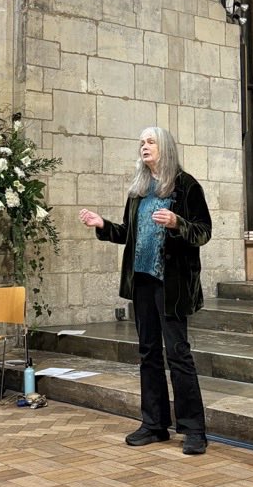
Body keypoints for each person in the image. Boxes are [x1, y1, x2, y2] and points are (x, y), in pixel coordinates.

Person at [79, 126, 211, 455]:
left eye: (150, 141)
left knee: (178, 354)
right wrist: (102, 225)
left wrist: (177, 223)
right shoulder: (138, 190)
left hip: (173, 284)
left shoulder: (186, 185)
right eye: (141, 142)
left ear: (164, 147)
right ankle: (154, 424)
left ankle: (194, 429)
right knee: (148, 353)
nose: (144, 146)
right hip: (142, 282)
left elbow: (204, 231)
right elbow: (127, 232)